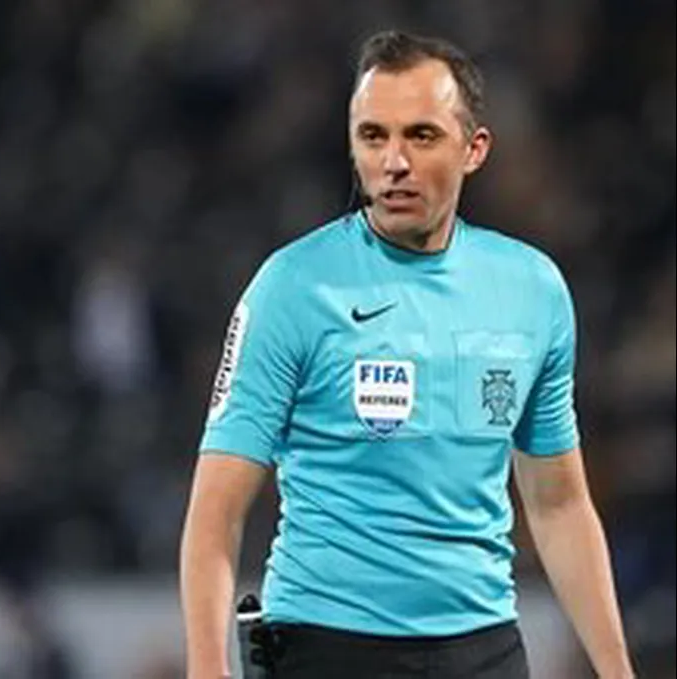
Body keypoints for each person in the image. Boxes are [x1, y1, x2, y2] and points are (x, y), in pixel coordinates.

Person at [179, 30, 635, 679]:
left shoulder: (533, 291)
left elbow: (558, 503)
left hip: (484, 651)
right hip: (326, 648)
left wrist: (617, 670)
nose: (394, 161)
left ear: (474, 149)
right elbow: (215, 512)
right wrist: (206, 667)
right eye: (373, 136)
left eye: (421, 136)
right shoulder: (292, 288)